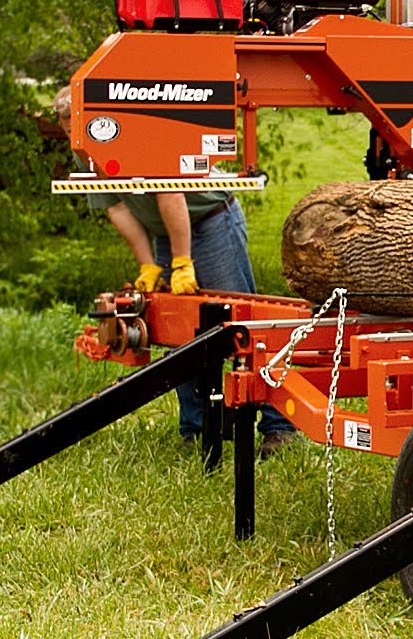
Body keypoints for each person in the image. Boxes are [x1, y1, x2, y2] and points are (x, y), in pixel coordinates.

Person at [55, 86, 296, 457]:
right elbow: (117, 207)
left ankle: (279, 428)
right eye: (68, 128)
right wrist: (148, 264)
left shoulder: (134, 129)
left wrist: (183, 262)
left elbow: (170, 192)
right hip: (166, 231)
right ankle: (197, 428)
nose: (77, 137)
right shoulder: (86, 146)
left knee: (245, 327)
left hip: (209, 220)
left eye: (80, 125)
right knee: (181, 332)